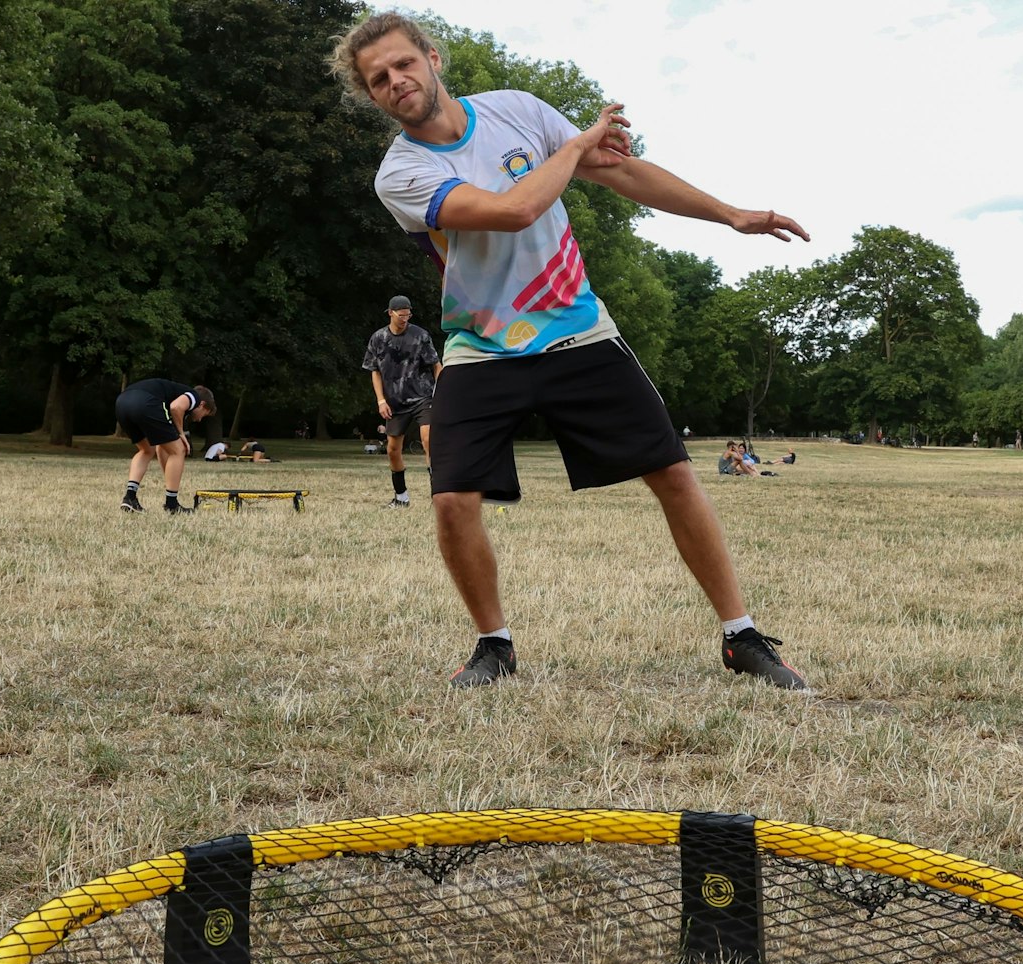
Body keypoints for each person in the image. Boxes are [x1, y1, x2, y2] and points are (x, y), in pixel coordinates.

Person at [335, 13, 809, 689]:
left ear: (432, 59)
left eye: (403, 64)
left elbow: (620, 172)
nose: (396, 81)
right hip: (482, 343)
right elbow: (514, 209)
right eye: (378, 79)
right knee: (450, 497)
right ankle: (493, 645)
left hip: (578, 327)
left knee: (673, 471)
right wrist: (575, 145)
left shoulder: (516, 111)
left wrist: (730, 214)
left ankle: (741, 636)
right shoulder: (402, 173)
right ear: (373, 97)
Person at [363, 294, 442, 508]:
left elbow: (436, 364)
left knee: (429, 440)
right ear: (390, 313)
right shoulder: (378, 338)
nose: (405, 319)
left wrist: (441, 391)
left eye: (408, 315)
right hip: (395, 402)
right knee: (392, 450)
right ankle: (401, 497)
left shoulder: (420, 336)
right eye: (401, 315)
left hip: (423, 396)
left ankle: (439, 496)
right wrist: (381, 400)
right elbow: (374, 371)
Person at [115, 379, 216, 514]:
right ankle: (172, 505)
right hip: (145, 402)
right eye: (204, 414)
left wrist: (169, 476)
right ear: (202, 405)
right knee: (179, 450)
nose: (200, 419)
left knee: (146, 450)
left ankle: (130, 497)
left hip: (122, 402)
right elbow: (176, 407)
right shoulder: (194, 396)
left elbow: (162, 447)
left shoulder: (169, 399)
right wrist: (181, 434)